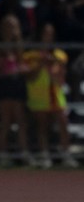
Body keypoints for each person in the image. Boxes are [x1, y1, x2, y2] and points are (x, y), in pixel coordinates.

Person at [22, 22, 79, 169]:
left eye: (51, 34)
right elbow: (29, 77)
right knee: (42, 126)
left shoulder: (59, 55)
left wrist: (53, 65)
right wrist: (42, 62)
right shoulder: (30, 55)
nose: (48, 37)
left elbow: (61, 78)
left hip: (55, 94)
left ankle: (65, 154)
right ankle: (44, 154)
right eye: (46, 34)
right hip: (38, 94)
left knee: (63, 123)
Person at [0, 13, 33, 167]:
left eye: (14, 26)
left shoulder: (20, 46)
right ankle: (1, 153)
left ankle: (23, 153)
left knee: (21, 120)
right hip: (5, 83)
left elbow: (22, 62)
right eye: (9, 26)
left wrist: (17, 42)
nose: (12, 29)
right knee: (6, 120)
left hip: (18, 83)